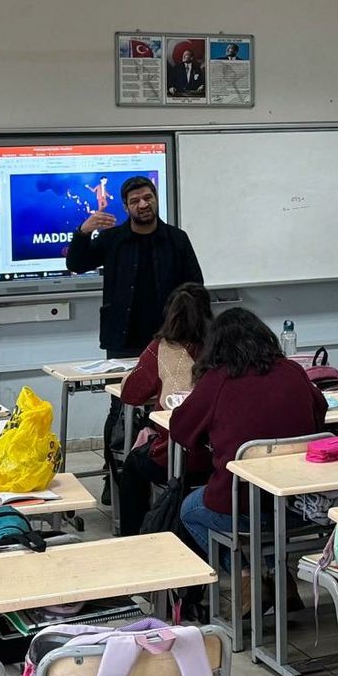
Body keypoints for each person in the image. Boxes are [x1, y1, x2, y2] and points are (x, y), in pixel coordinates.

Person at [174, 308, 326, 613]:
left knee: (189, 510)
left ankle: (246, 579)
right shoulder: (292, 371)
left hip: (242, 508)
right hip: (301, 505)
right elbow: (319, 413)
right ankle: (279, 578)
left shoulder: (217, 380)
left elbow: (181, 429)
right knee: (267, 508)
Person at [66, 174, 203, 501]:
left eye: (148, 198)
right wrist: (83, 232)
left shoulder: (176, 239)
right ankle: (115, 478)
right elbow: (77, 263)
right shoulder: (113, 239)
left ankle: (167, 470)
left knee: (171, 405)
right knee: (121, 409)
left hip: (170, 340)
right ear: (126, 207)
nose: (143, 205)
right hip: (123, 339)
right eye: (135, 201)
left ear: (155, 199)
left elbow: (195, 287)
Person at [116, 283, 213, 536]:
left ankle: (132, 536)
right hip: (219, 456)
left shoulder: (161, 347)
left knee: (133, 465)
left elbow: (132, 394)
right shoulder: (221, 346)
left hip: (175, 457)